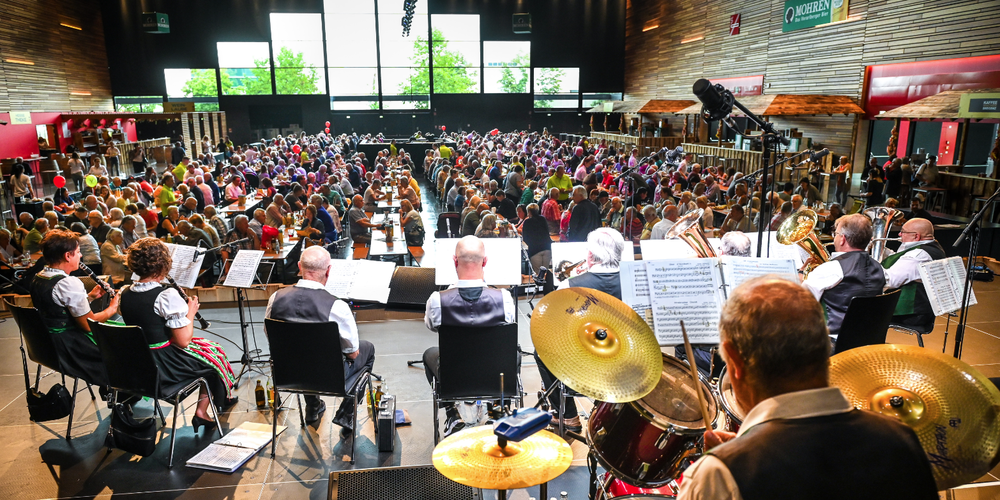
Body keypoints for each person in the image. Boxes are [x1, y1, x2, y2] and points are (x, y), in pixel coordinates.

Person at [677, 277, 937, 500]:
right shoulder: (900, 440)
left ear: (734, 362)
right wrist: (748, 448)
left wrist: (735, 460)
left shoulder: (720, 476)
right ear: (824, 346)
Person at [121, 238, 237, 430]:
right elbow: (183, 341)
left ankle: (220, 399)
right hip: (164, 366)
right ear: (163, 265)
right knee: (213, 356)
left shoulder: (125, 292)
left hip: (138, 363)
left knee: (210, 350)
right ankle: (202, 411)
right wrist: (190, 312)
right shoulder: (165, 295)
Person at [265, 246, 375, 429]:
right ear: (329, 270)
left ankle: (313, 406)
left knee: (301, 351)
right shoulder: (336, 307)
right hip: (330, 379)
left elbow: (271, 336)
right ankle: (346, 414)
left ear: (299, 267)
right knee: (367, 349)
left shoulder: (275, 298)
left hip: (287, 375)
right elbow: (353, 353)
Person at [422, 236, 516, 436]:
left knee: (430, 353)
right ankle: (496, 411)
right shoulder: (505, 299)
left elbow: (432, 327)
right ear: (485, 261)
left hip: (455, 373)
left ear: (455, 261)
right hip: (494, 372)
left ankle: (452, 413)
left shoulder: (437, 301)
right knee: (513, 355)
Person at [30, 230, 120, 387]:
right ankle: (121, 391)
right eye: (78, 252)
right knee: (125, 346)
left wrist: (89, 297)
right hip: (69, 346)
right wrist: (112, 308)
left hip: (45, 343)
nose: (81, 256)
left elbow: (57, 308)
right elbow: (88, 325)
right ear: (67, 256)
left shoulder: (39, 276)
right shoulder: (68, 283)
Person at [801, 214, 885, 340]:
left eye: (836, 233)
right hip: (869, 339)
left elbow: (802, 301)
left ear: (842, 239)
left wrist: (801, 274)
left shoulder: (830, 269)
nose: (834, 237)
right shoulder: (880, 268)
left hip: (832, 340)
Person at [882, 218, 945, 334]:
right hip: (922, 311)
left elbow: (889, 280)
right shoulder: (930, 247)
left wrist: (870, 265)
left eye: (903, 231)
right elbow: (900, 259)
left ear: (916, 236)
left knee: (856, 310)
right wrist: (881, 249)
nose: (899, 234)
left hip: (911, 315)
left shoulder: (919, 255)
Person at [521, 203, 552, 273]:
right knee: (545, 273)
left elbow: (525, 238)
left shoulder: (527, 222)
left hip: (535, 250)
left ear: (529, 212)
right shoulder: (543, 219)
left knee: (538, 273)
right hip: (547, 248)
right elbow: (547, 232)